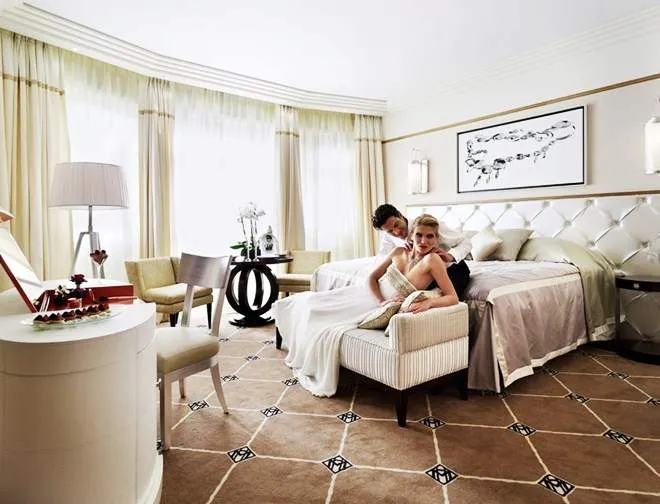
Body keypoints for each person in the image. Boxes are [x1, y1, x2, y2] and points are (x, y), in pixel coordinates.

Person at [273, 214, 458, 397]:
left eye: (429, 236)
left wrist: (429, 302)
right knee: (307, 301)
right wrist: (381, 301)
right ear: (412, 235)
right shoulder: (398, 252)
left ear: (437, 239)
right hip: (369, 296)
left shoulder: (433, 261)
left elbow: (452, 297)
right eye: (419, 235)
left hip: (373, 308)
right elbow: (372, 277)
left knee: (316, 312)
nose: (423, 241)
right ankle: (292, 338)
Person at [372, 203, 472, 300]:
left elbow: (466, 242)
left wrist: (451, 256)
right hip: (426, 276)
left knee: (440, 302)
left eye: (396, 224)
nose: (396, 232)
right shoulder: (389, 237)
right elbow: (381, 258)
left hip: (453, 271)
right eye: (390, 231)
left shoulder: (430, 225)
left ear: (400, 215)